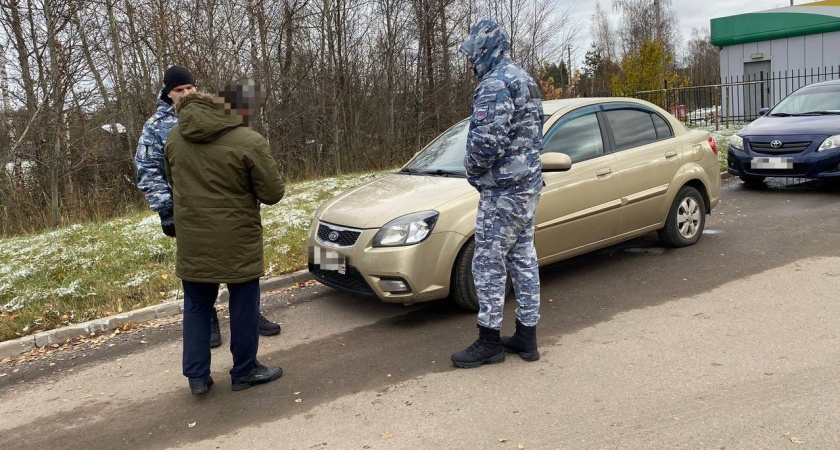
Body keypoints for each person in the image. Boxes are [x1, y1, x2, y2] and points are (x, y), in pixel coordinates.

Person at [135, 66, 282, 349]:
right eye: (179, 90)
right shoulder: (156, 127)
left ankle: (250, 317)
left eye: (190, 88)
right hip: (188, 212)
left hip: (227, 209)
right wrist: (166, 209)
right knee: (201, 276)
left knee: (239, 271)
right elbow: (148, 169)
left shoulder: (214, 113)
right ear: (168, 93)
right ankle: (211, 321)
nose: (186, 93)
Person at [164, 79, 285, 394]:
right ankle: (245, 371)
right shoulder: (249, 140)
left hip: (193, 239)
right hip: (237, 238)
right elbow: (272, 193)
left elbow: (170, 179)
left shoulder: (174, 138)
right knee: (243, 304)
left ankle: (196, 376)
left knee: (197, 305)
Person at [450, 19, 545, 369]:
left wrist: (473, 172)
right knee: (522, 258)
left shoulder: (495, 85)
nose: (470, 63)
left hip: (503, 191)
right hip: (528, 186)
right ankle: (526, 336)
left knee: (487, 262)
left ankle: (489, 341)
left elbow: (486, 143)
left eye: (472, 55)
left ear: (485, 50)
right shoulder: (526, 79)